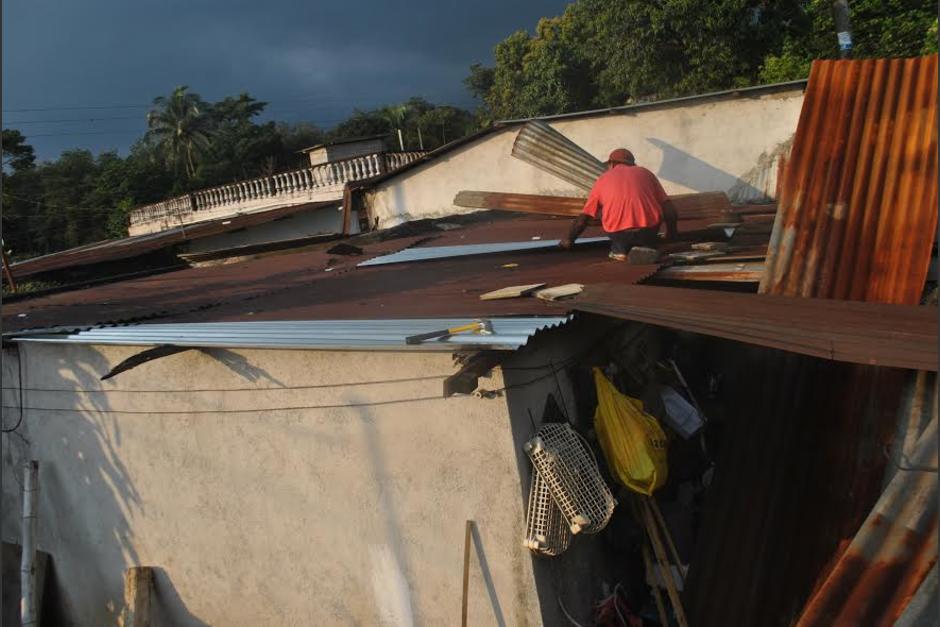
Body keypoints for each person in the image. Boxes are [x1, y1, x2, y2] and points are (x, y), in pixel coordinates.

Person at [559, 148, 678, 260]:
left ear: (611, 164)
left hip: (619, 234)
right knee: (648, 241)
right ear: (632, 164)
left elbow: (584, 218)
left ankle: (620, 252)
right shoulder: (646, 173)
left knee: (619, 243)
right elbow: (669, 210)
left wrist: (569, 240)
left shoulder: (602, 179)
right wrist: (671, 235)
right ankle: (648, 248)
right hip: (648, 232)